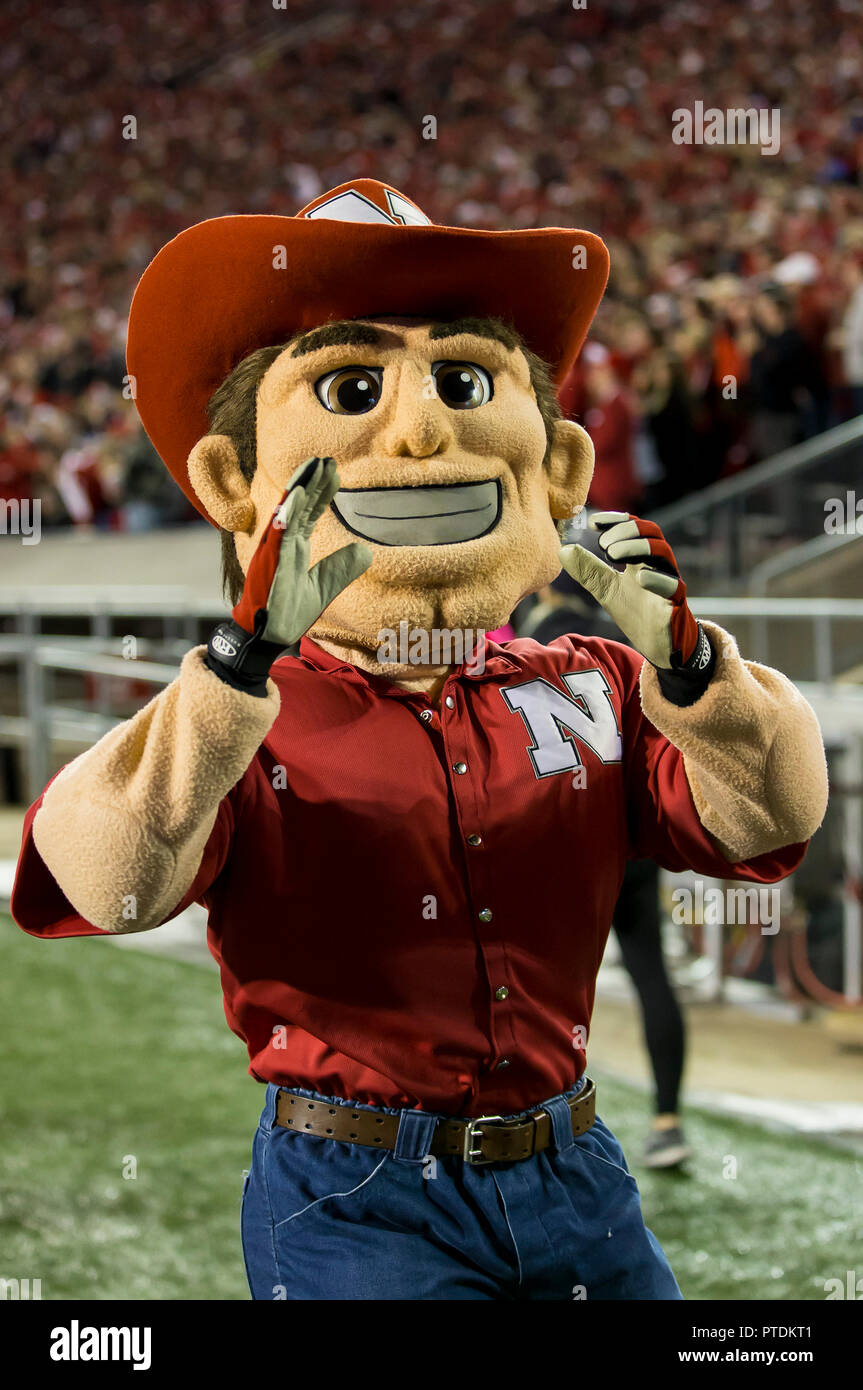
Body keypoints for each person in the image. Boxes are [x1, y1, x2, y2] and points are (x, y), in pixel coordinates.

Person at [12, 179, 828, 1301]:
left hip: (574, 1168)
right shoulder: (237, 717)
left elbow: (771, 811)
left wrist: (696, 670)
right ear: (232, 484)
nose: (420, 428)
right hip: (352, 1191)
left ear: (555, 467)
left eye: (459, 378)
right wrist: (235, 669)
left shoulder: (591, 682)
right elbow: (104, 878)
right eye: (351, 386)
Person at [518, 572, 690, 1168]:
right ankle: (668, 1120)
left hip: (563, 840)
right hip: (632, 838)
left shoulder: (529, 640)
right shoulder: (624, 643)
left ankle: (534, 1112)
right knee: (651, 975)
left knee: (528, 980)